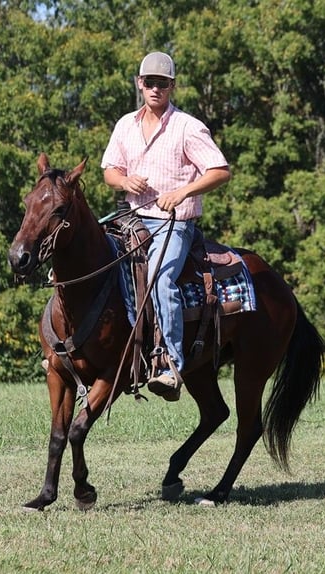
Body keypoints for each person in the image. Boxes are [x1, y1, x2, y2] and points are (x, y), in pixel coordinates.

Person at [101, 51, 231, 401]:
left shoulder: (188, 127)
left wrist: (183, 191)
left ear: (172, 86)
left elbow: (219, 171)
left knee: (160, 277)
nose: (155, 88)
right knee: (94, 264)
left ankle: (169, 363)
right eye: (149, 82)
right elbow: (110, 170)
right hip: (130, 219)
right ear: (139, 84)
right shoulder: (125, 125)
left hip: (174, 223)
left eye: (163, 83)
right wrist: (125, 183)